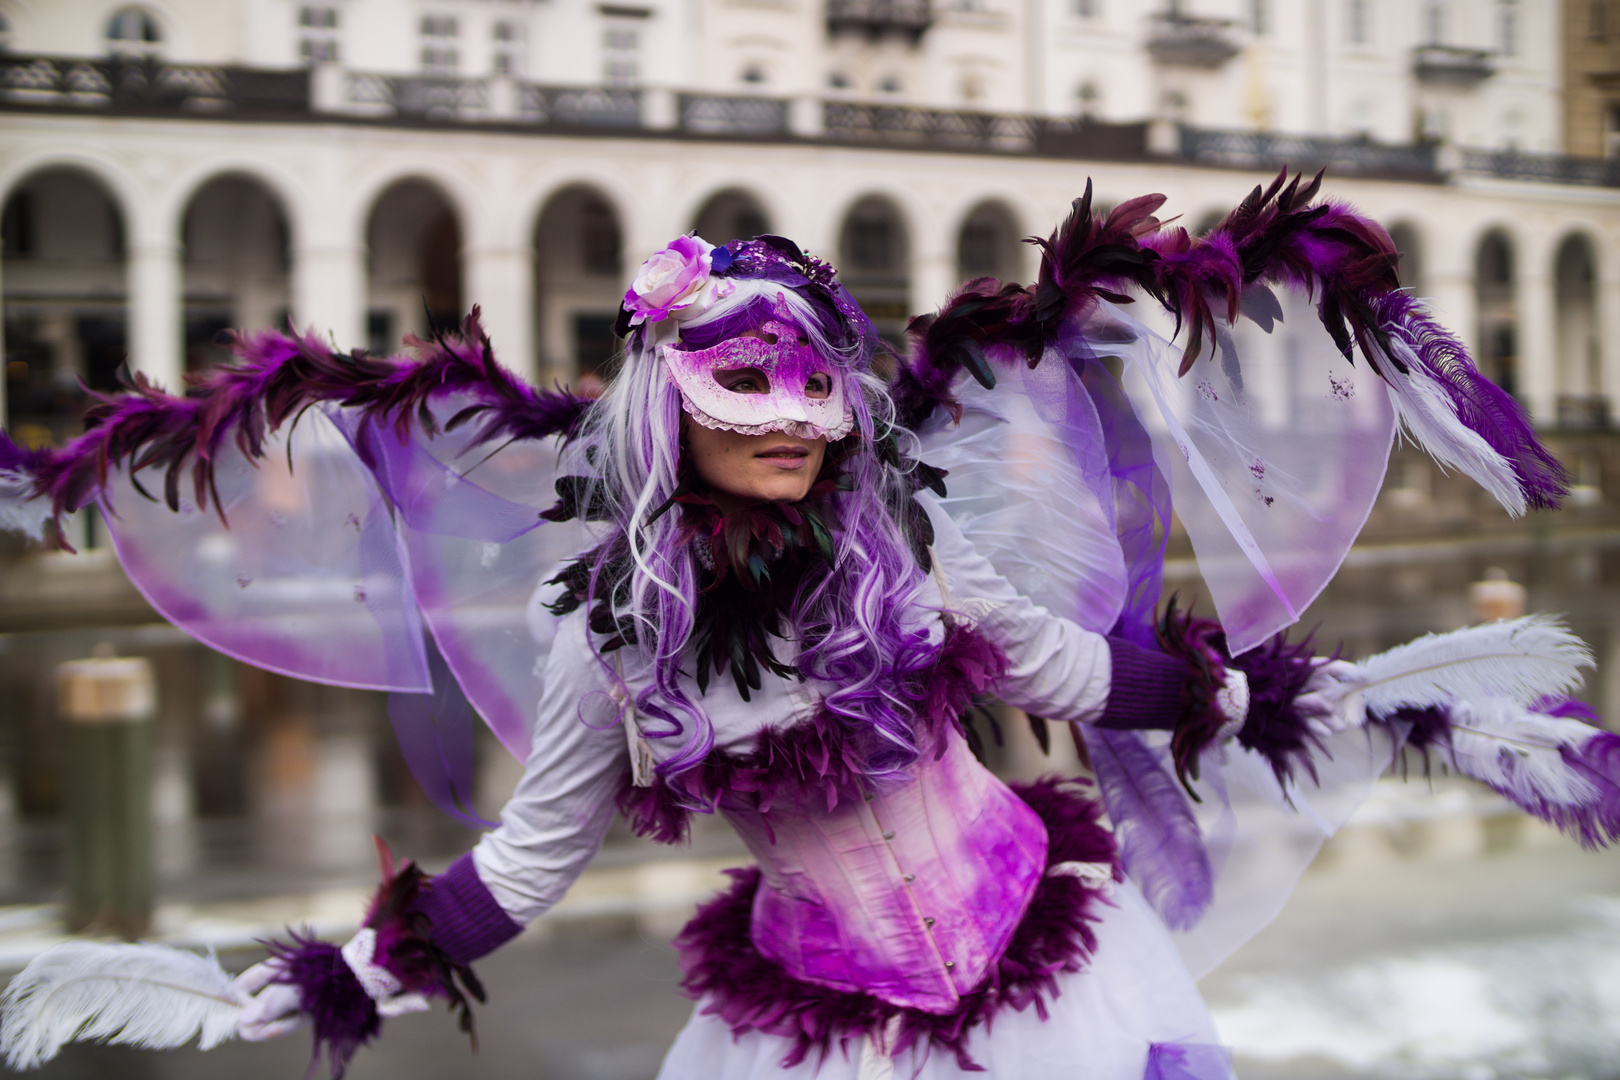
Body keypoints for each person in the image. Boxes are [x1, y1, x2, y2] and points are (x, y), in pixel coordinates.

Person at [1, 175, 1613, 1080]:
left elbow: (1073, 674)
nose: (791, 419)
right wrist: (338, 977)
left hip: (1060, 994)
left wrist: (1362, 706)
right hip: (816, 1042)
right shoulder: (607, 639)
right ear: (667, 404)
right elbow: (533, 857)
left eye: (814, 384)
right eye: (743, 385)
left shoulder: (903, 547)